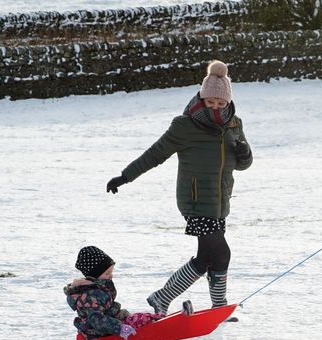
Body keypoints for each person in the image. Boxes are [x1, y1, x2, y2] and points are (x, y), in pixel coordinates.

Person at [106, 60, 253, 316]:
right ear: (201, 98)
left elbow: (242, 165)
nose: (215, 108)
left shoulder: (233, 124)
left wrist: (245, 152)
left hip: (220, 202)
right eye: (210, 103)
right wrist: (125, 176)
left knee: (208, 258)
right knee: (221, 253)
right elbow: (155, 154)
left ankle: (165, 298)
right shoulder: (185, 125)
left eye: (220, 103)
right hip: (195, 201)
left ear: (227, 102)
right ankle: (212, 305)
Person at [65, 246, 139, 340]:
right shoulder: (90, 295)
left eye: (111, 272)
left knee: (141, 319)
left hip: (111, 325)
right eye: (107, 273)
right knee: (140, 321)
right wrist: (119, 328)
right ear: (95, 275)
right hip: (98, 334)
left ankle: (158, 322)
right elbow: (96, 320)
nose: (111, 276)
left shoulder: (99, 287)